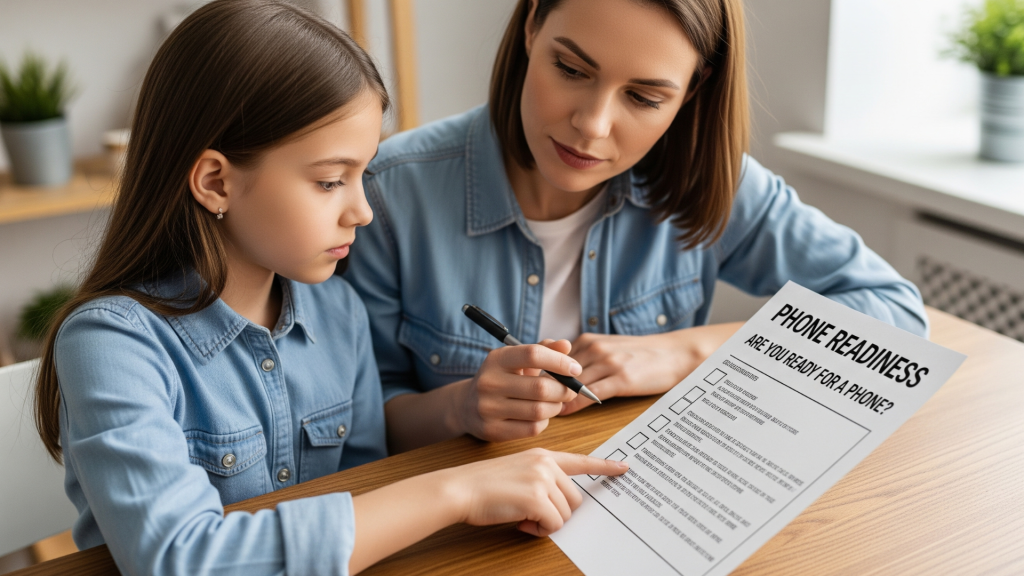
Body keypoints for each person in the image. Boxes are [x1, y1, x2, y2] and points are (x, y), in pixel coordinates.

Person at [32, 2, 626, 574]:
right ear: (215, 181)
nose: (363, 212)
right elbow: (184, 559)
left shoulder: (338, 310)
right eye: (329, 181)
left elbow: (366, 484)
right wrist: (458, 491)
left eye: (362, 175)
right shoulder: (111, 343)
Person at [344, 0, 929, 454]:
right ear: (530, 28)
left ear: (691, 92)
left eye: (646, 97)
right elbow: (358, 424)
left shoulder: (710, 183)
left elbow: (893, 315)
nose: (592, 126)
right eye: (571, 68)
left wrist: (691, 351)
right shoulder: (389, 194)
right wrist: (462, 409)